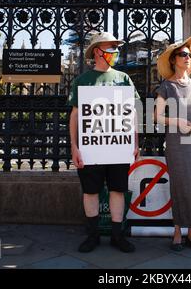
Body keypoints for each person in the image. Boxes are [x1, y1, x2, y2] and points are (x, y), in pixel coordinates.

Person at [68, 31, 140, 253]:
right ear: (98, 51)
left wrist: (135, 142)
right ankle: (93, 235)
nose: (115, 52)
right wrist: (74, 146)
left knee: (118, 189)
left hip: (118, 147)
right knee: (91, 191)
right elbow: (75, 115)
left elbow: (132, 113)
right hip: (91, 148)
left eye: (115, 48)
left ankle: (117, 236)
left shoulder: (123, 78)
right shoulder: (82, 80)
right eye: (110, 48)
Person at [155, 35, 191, 251]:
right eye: (183, 54)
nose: (188, 58)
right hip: (176, 144)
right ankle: (177, 231)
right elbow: (156, 117)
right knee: (179, 187)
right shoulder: (166, 86)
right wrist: (176, 121)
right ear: (173, 59)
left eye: (189, 54)